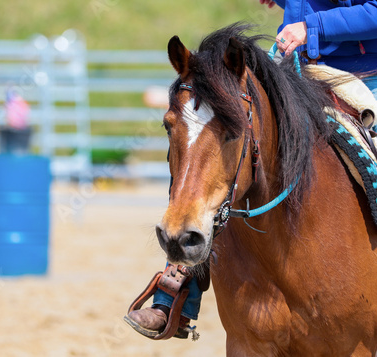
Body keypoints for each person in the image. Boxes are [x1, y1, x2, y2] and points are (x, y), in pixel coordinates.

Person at [125, 0, 377, 340]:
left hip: (361, 72)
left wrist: (311, 28)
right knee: (214, 140)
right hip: (292, 65)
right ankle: (181, 277)